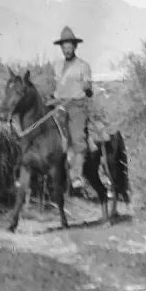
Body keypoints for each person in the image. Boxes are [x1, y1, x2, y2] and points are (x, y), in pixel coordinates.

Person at [52, 25, 93, 193]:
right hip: (59, 105)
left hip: (76, 105)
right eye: (64, 47)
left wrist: (85, 86)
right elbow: (56, 86)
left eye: (69, 46)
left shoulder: (83, 66)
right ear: (61, 48)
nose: (67, 49)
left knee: (77, 140)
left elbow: (89, 87)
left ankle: (76, 176)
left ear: (75, 47)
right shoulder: (56, 65)